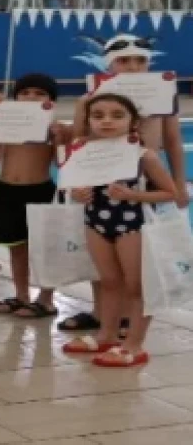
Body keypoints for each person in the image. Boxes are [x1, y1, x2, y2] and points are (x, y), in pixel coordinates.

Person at [58, 34, 189, 336]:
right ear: (109, 64)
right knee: (102, 256)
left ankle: (130, 316)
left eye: (140, 61)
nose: (132, 67)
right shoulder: (90, 98)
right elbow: (79, 142)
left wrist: (179, 184)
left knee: (139, 257)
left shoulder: (162, 96)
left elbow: (172, 141)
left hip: (144, 179)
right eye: (123, 61)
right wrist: (75, 183)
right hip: (100, 181)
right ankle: (101, 312)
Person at [61, 93, 178, 367]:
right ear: (88, 121)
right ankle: (106, 335)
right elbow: (72, 186)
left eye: (117, 115)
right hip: (96, 222)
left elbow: (170, 192)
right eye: (98, 115)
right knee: (109, 282)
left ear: (133, 122)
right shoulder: (84, 154)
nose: (107, 121)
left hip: (132, 224)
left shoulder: (143, 156)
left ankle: (134, 344)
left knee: (137, 286)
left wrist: (133, 195)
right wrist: (77, 193)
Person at [0, 73, 63, 319]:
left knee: (44, 249)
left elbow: (61, 162)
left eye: (39, 94)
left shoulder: (53, 126)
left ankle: (46, 299)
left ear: (51, 101)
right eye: (25, 93)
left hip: (39, 190)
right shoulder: (6, 122)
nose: (31, 97)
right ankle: (21, 295)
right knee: (16, 248)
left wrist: (59, 139)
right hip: (7, 190)